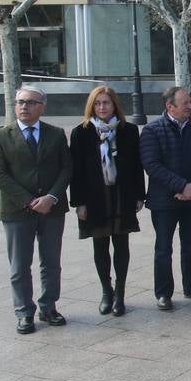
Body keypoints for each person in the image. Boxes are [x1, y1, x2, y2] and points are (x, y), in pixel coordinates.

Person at [0, 85, 71, 334]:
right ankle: (24, 312)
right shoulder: (0, 136)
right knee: (20, 265)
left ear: (42, 107)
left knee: (51, 262)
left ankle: (48, 306)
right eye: (20, 102)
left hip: (52, 209)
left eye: (31, 102)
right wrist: (29, 200)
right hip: (16, 211)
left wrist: (52, 197)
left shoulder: (55, 134)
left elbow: (66, 168)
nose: (24, 106)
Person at [69, 85, 144, 317]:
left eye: (106, 103)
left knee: (122, 245)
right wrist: (79, 202)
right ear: (92, 106)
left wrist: (140, 195)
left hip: (122, 195)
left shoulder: (129, 130)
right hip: (95, 197)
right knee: (100, 245)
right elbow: (76, 171)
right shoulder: (81, 132)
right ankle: (106, 291)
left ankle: (120, 293)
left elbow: (136, 165)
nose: (102, 107)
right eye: (98, 103)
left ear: (115, 105)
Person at [140, 86, 191, 310]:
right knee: (164, 248)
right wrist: (182, 185)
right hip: (164, 201)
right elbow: (151, 165)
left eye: (190, 103)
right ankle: (163, 293)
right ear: (170, 106)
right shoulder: (152, 130)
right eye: (185, 104)